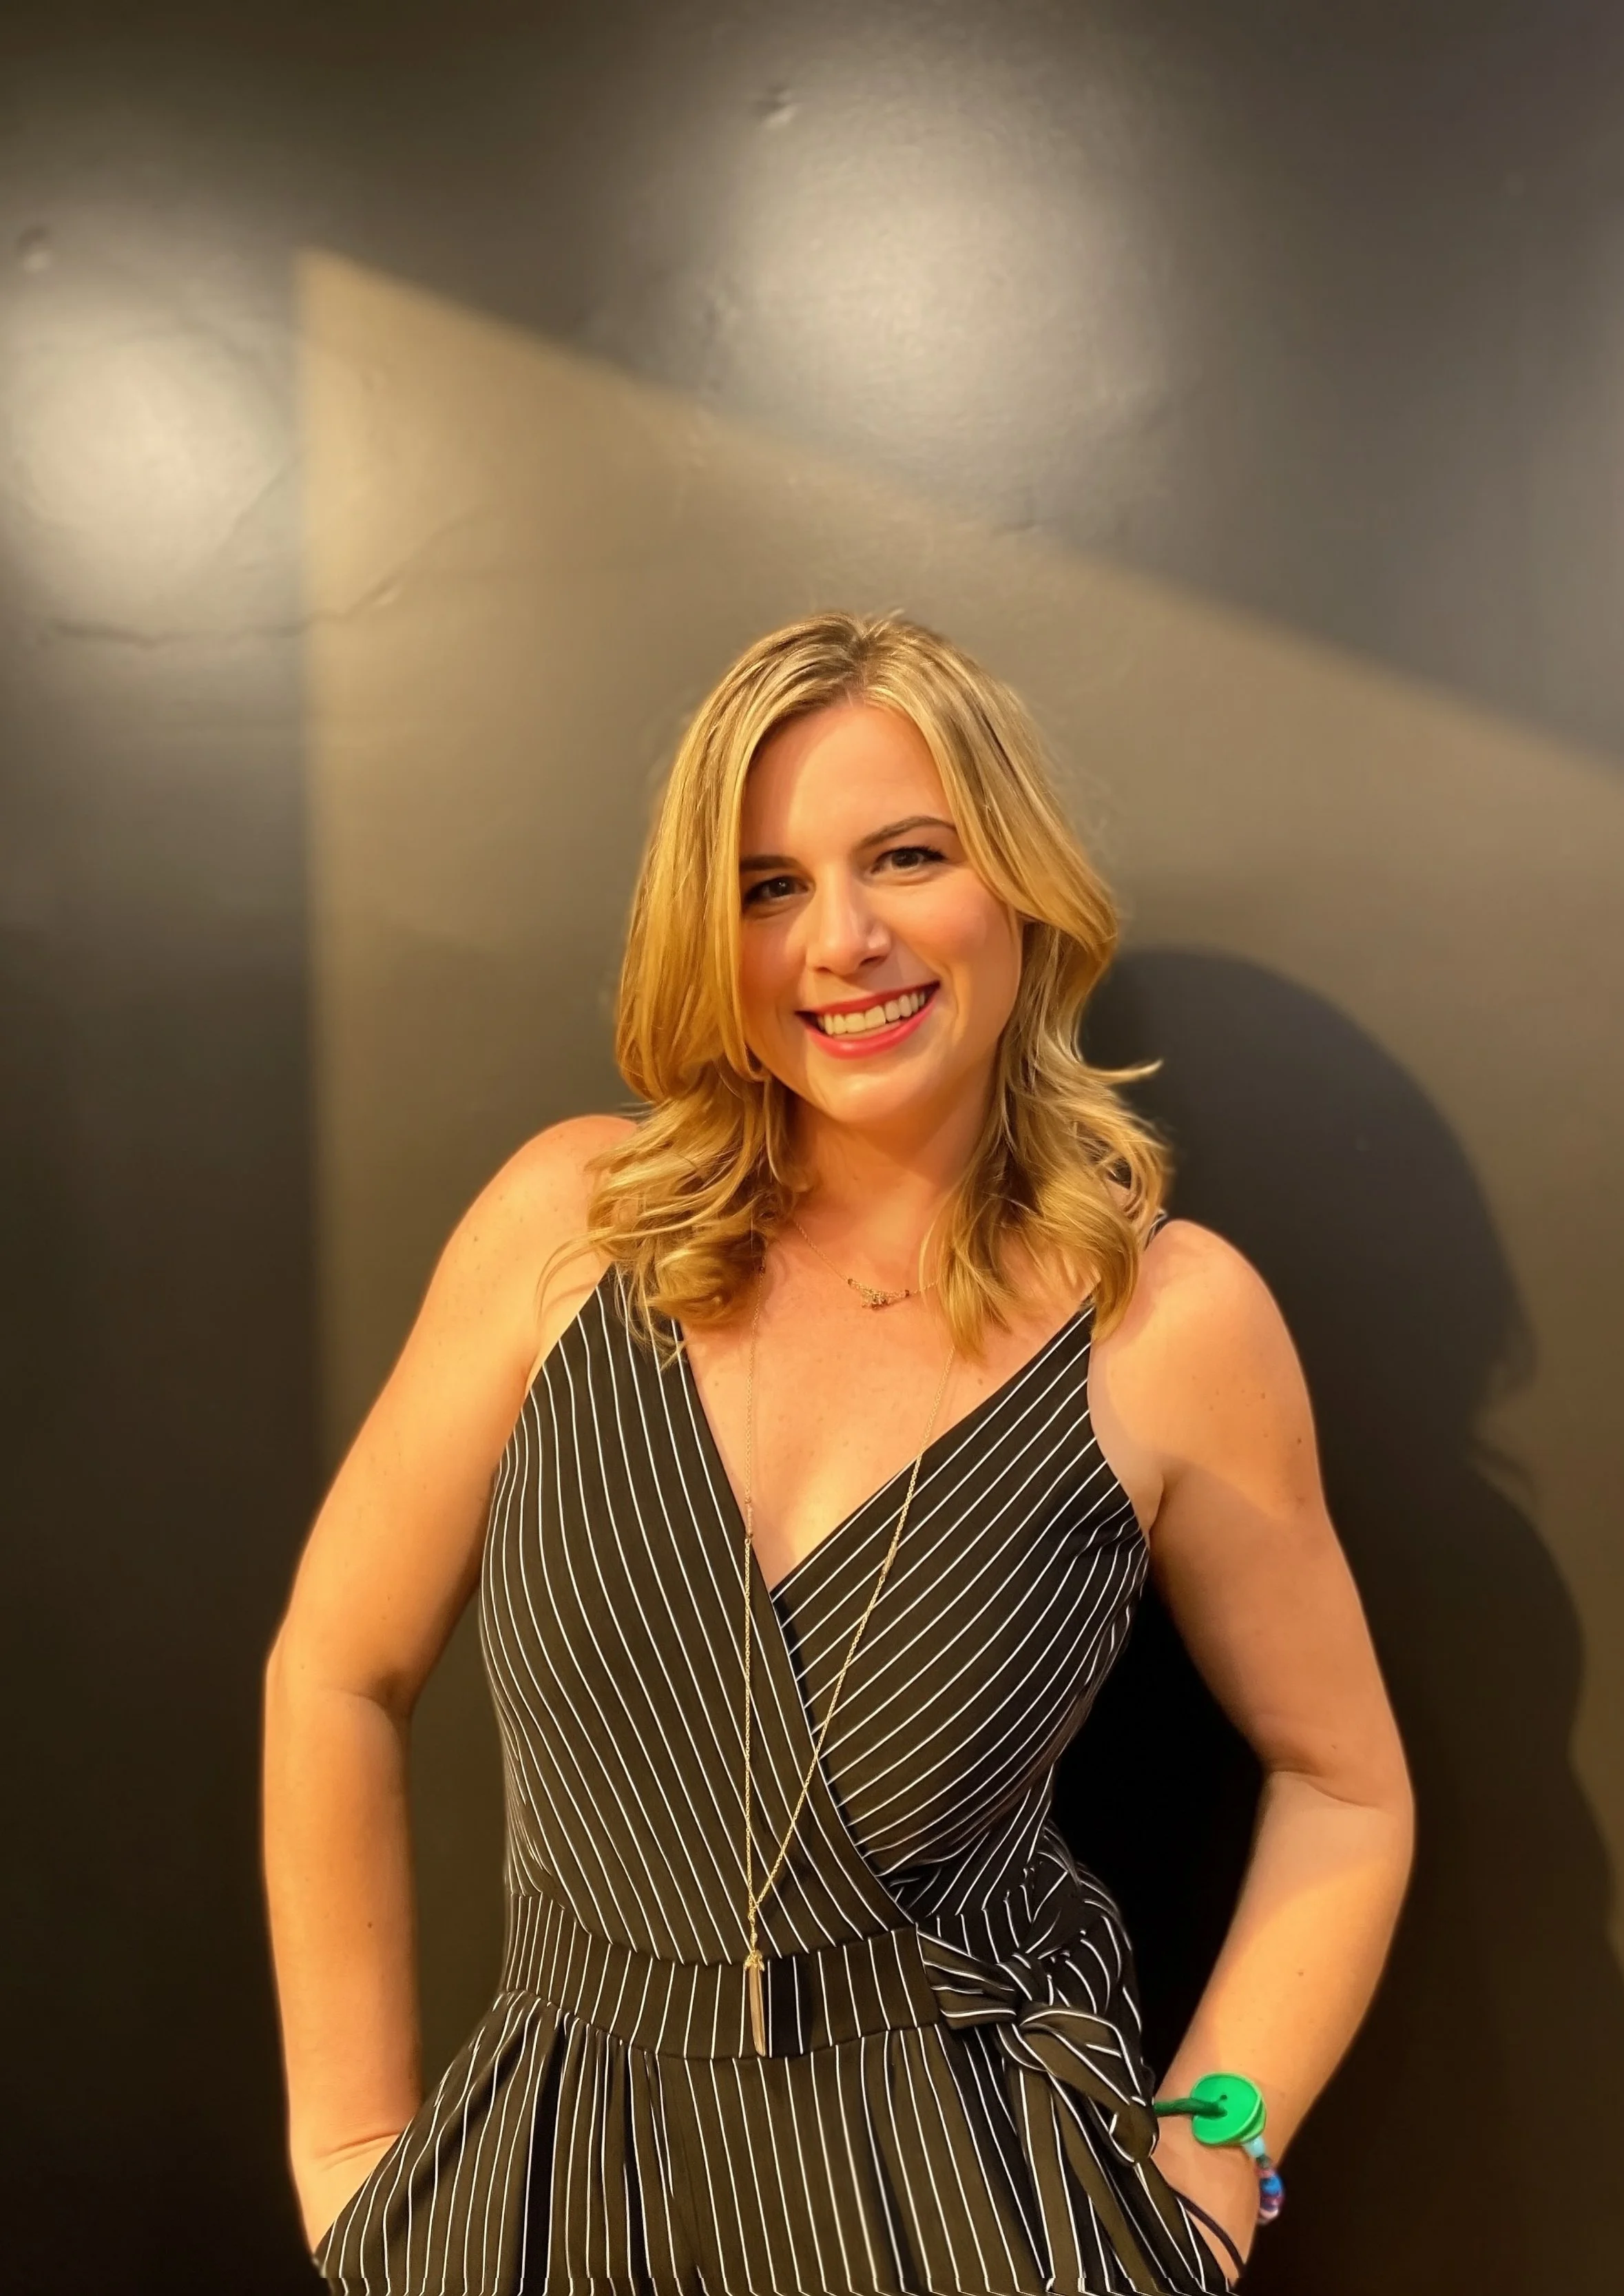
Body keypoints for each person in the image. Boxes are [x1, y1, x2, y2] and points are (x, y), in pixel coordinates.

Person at [264, 611, 1415, 2295]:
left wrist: (1209, 2169)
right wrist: (351, 2153)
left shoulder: (1163, 1323)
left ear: (1015, 884)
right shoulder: (561, 1237)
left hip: (984, 2220)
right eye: (768, 884)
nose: (845, 940)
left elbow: (1345, 1783)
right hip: (544, 2205)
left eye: (906, 855)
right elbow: (335, 1669)